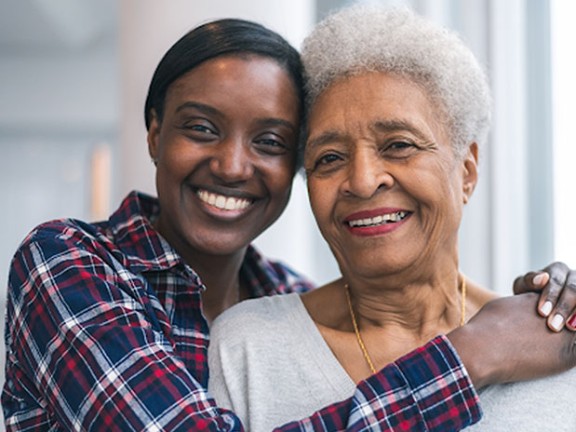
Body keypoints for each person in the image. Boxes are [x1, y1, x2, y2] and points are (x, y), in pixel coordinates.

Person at [2, 14, 575, 432]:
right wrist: (472, 355)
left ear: (467, 169)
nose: (231, 165)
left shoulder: (283, 291)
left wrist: (557, 301)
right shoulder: (67, 261)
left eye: (271, 142)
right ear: (154, 134)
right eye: (201, 127)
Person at [208, 6, 576, 432]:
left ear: (467, 171)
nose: (362, 182)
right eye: (329, 158)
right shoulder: (249, 348)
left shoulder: (556, 343)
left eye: (399, 145)